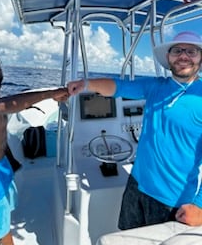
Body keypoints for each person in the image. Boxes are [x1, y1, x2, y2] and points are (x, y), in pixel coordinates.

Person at [68, 31, 202, 230]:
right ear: (168, 57)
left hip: (173, 200)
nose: (183, 56)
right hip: (137, 185)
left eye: (191, 51)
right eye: (177, 51)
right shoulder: (155, 86)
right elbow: (119, 87)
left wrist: (199, 205)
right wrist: (86, 84)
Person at [0, 51, 68, 245]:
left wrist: (10, 159)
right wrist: (51, 94)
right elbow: (6, 105)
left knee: (2, 223)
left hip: (1, 167)